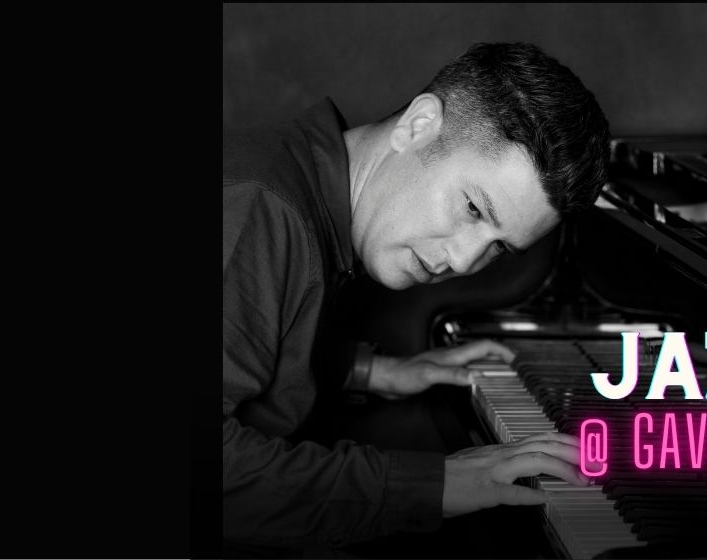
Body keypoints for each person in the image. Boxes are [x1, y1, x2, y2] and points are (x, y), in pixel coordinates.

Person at [222, 42, 611, 555]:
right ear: (417, 125)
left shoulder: (293, 188)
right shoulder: (262, 208)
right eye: (473, 208)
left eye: (498, 247)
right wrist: (434, 484)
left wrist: (370, 371)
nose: (464, 261)